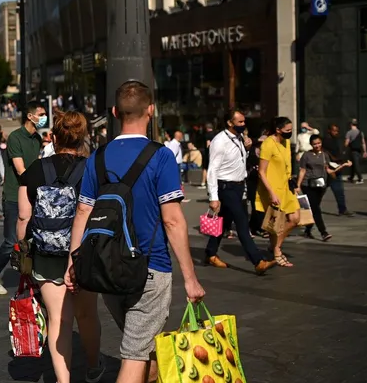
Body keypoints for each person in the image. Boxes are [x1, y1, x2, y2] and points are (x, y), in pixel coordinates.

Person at [67, 81, 205, 383]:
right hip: (150, 268)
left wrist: (73, 263)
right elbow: (172, 220)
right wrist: (191, 278)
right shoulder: (161, 156)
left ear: (115, 112)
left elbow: (83, 212)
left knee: (145, 347)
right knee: (135, 353)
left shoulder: (97, 157)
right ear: (151, 111)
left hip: (107, 269)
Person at [16, 111, 104, 383]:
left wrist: (22, 249)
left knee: (58, 320)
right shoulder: (93, 169)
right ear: (83, 138)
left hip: (47, 256)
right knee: (87, 315)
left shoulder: (35, 170)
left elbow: (23, 218)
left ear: (53, 137)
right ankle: (93, 366)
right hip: (83, 255)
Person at [0, 101, 44, 296]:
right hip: (14, 195)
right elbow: (20, 169)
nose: (44, 117)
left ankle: (30, 275)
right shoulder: (16, 137)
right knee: (11, 240)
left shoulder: (37, 138)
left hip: (31, 194)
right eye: (41, 114)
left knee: (31, 239)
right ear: (30, 116)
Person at [204, 111, 277, 274]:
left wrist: (247, 148)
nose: (244, 124)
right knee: (242, 222)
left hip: (238, 186)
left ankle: (210, 253)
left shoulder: (239, 138)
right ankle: (258, 261)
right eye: (240, 122)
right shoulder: (219, 141)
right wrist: (213, 197)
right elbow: (212, 170)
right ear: (230, 123)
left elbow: (239, 160)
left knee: (223, 222)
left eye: (244, 121)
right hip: (226, 187)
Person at [256, 117, 301, 267]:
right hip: (273, 188)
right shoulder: (268, 144)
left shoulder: (286, 142)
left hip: (286, 186)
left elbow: (287, 165)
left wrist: (293, 183)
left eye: (291, 130)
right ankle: (277, 251)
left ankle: (275, 246)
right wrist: (271, 193)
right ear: (278, 130)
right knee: (276, 223)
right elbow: (261, 172)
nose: (290, 133)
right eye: (287, 130)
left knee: (295, 219)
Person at [297, 134, 349, 241]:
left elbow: (328, 170)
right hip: (308, 185)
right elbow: (302, 170)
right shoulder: (306, 155)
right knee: (316, 209)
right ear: (311, 144)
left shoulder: (324, 155)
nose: (317, 146)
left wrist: (343, 166)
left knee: (314, 208)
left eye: (319, 143)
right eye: (314, 144)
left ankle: (307, 230)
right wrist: (298, 185)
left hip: (320, 185)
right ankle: (323, 232)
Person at [322, 124, 354, 216]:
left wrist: (342, 160)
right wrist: (333, 158)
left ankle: (342, 209)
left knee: (339, 191)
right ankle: (312, 208)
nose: (336, 132)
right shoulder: (325, 141)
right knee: (320, 192)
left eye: (337, 131)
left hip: (337, 169)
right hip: (328, 169)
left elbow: (339, 152)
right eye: (334, 130)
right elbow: (325, 151)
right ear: (329, 130)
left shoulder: (336, 140)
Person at [345, 119, 366, 183]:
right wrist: (365, 151)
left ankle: (360, 179)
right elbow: (363, 143)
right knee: (353, 164)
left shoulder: (349, 132)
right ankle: (351, 177)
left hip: (353, 151)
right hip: (359, 151)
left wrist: (344, 148)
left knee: (356, 165)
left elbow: (346, 143)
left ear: (351, 124)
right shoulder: (361, 132)